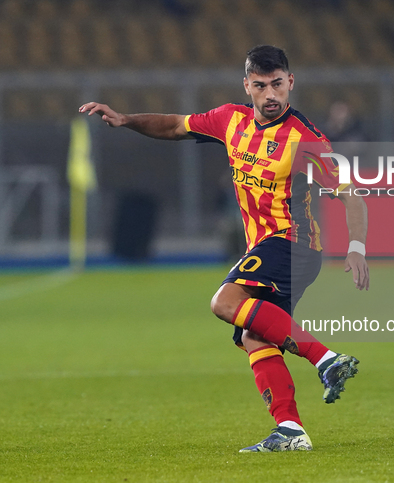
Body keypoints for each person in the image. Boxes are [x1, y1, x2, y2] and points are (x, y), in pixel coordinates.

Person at [79, 45, 369, 453]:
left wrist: (356, 246)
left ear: (291, 83)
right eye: (261, 85)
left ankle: (325, 359)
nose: (271, 95)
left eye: (278, 85)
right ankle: (290, 430)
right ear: (247, 86)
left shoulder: (305, 139)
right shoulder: (228, 120)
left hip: (294, 243)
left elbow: (350, 194)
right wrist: (126, 120)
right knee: (254, 335)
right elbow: (174, 126)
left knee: (224, 301)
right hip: (268, 246)